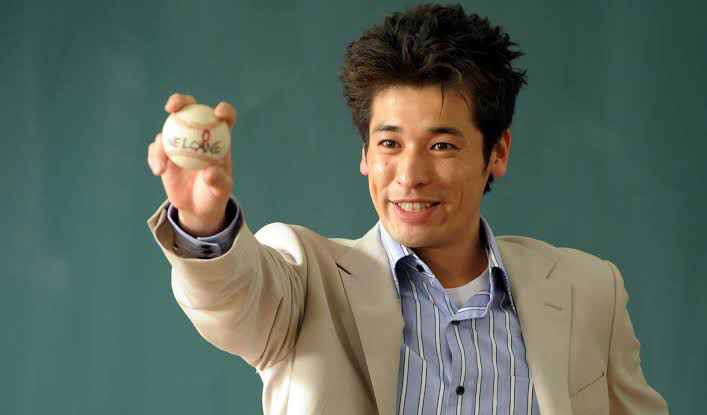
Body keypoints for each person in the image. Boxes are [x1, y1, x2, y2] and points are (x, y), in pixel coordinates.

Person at [146, 4, 668, 415]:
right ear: (365, 155)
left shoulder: (589, 290)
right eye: (390, 144)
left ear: (498, 152)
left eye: (441, 145)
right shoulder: (305, 280)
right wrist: (202, 221)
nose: (410, 174)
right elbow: (232, 298)